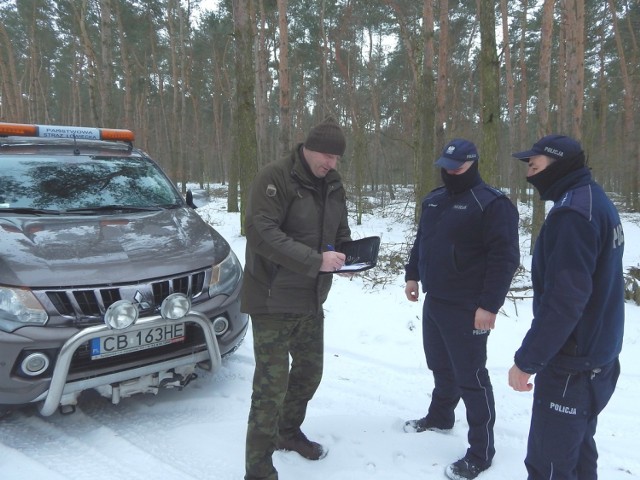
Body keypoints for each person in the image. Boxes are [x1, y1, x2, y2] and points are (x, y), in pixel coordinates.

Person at [241, 116, 352, 480]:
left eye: (336, 158)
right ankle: (258, 471)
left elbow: (340, 233)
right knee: (269, 389)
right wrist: (315, 260)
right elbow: (260, 233)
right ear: (307, 148)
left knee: (308, 375)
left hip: (310, 299)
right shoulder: (275, 178)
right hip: (272, 299)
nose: (330, 163)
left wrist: (348, 258)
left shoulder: (333, 184)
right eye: (325, 155)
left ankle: (287, 433)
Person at [508, 134, 625, 479]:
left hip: (572, 365)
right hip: (598, 356)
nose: (529, 174)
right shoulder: (594, 198)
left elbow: (564, 302)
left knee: (549, 465)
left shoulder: (574, 214)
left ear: (557, 164)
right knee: (578, 451)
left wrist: (527, 361)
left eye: (534, 165)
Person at [404, 138, 520, 480]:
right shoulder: (435, 200)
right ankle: (440, 417)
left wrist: (489, 305)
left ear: (474, 164)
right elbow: (422, 240)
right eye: (446, 167)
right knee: (440, 365)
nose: (450, 172)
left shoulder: (492, 204)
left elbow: (505, 258)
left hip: (469, 307)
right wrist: (413, 274)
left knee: (471, 377)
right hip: (435, 300)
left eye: (457, 167)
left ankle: (481, 451)